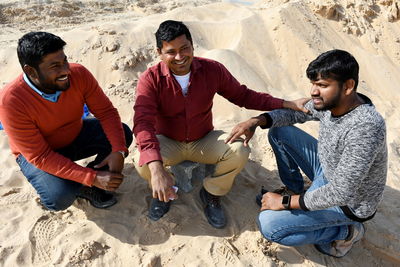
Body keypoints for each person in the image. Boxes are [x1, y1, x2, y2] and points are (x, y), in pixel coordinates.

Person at [133, 20, 308, 228]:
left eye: (184, 48)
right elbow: (142, 121)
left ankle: (210, 194)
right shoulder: (150, 79)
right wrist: (157, 169)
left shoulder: (212, 70)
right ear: (159, 53)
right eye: (171, 52)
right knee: (143, 162)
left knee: (239, 151)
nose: (180, 57)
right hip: (168, 141)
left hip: (203, 139)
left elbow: (243, 96)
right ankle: (164, 191)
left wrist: (286, 103)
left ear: (192, 45)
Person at [226, 49, 387, 257]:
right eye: (313, 84)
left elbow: (341, 192)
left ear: (348, 86)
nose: (313, 92)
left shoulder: (366, 127)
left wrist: (283, 204)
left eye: (322, 85)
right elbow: (295, 114)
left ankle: (346, 231)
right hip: (327, 171)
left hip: (348, 203)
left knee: (270, 226)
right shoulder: (334, 102)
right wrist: (257, 121)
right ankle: (294, 189)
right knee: (280, 131)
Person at [0, 32, 133, 211]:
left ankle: (89, 182)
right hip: (39, 155)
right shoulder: (11, 101)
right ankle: (81, 186)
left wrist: (118, 150)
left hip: (74, 135)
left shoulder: (79, 74)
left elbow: (107, 113)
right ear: (30, 71)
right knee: (59, 197)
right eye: (55, 66)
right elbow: (41, 156)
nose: (65, 70)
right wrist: (92, 177)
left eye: (64, 61)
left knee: (122, 134)